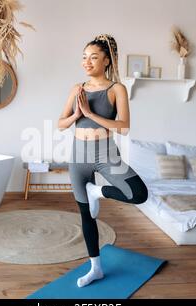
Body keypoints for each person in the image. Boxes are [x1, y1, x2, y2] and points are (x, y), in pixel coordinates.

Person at [58, 34, 148, 288]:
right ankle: (95, 268)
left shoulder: (116, 89)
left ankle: (97, 191)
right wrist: (77, 113)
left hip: (105, 153)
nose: (87, 62)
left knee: (138, 193)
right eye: (84, 57)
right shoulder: (77, 89)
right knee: (86, 215)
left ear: (107, 60)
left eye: (93, 57)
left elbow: (124, 127)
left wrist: (89, 113)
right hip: (78, 156)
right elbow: (60, 123)